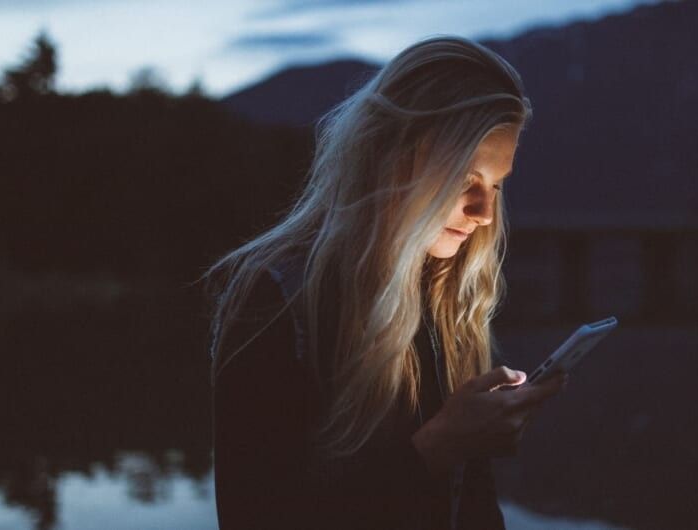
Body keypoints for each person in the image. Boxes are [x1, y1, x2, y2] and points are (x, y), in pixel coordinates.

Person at [202, 35, 568, 530]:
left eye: (497, 185)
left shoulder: (444, 296)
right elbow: (256, 516)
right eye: (466, 180)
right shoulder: (277, 299)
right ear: (392, 155)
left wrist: (469, 441)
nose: (485, 214)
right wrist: (441, 446)